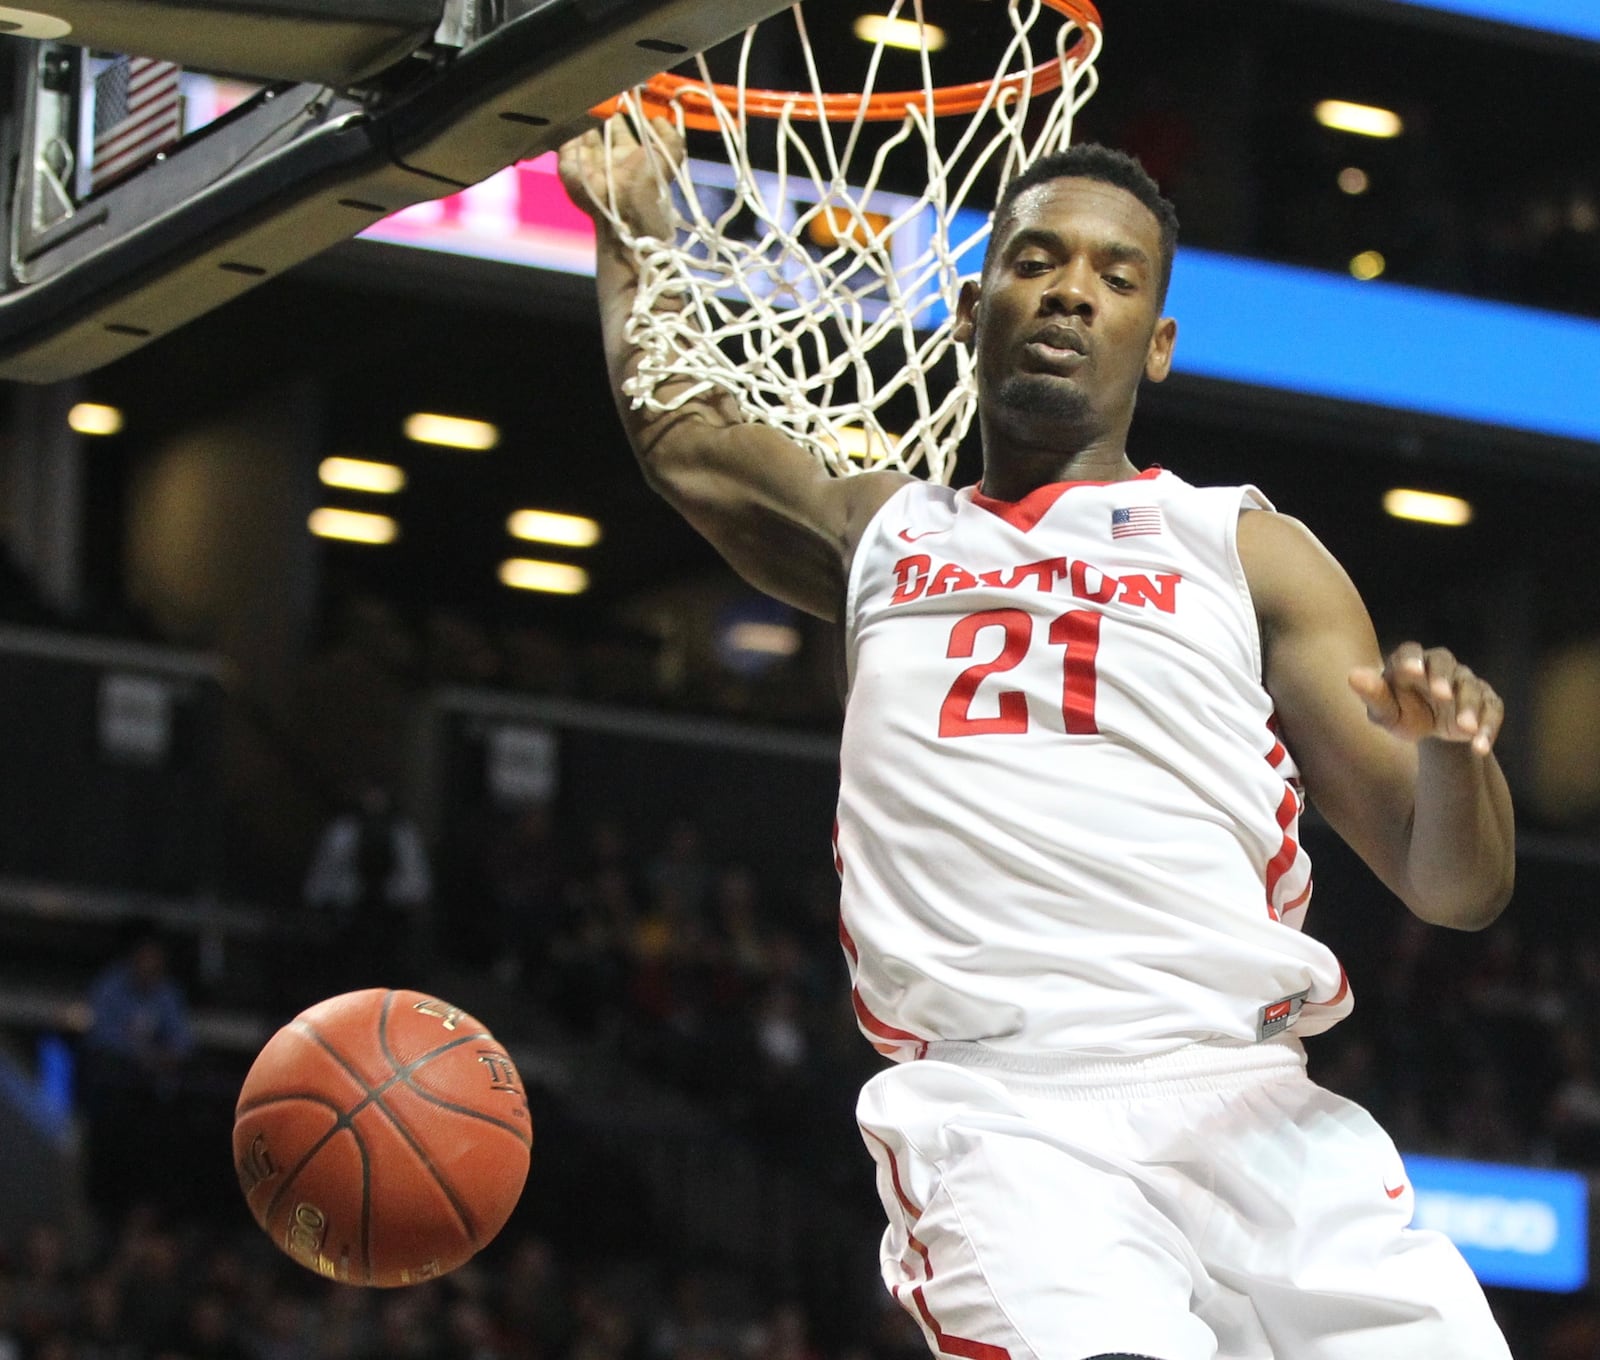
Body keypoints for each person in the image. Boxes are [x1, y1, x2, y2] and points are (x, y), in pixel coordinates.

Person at [557, 117, 1516, 1360]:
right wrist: (635, 222)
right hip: (1009, 1121)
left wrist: (1455, 756)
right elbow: (685, 439)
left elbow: (1456, 886)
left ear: (1156, 343)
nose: (1071, 290)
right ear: (971, 306)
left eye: (1116, 277)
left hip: (1250, 1100)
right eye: (1036, 261)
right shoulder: (880, 534)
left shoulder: (1243, 548)